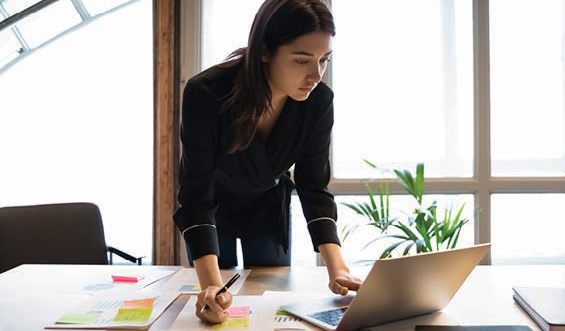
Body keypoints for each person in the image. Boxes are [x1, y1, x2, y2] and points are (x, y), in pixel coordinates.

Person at [173, 0, 362, 324]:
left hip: (267, 203)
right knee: (219, 300)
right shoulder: (205, 93)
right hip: (213, 205)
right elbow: (195, 196)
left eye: (324, 60)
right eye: (302, 60)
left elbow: (314, 186)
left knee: (269, 303)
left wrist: (338, 268)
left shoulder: (318, 101)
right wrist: (211, 290)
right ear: (264, 51)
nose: (315, 75)